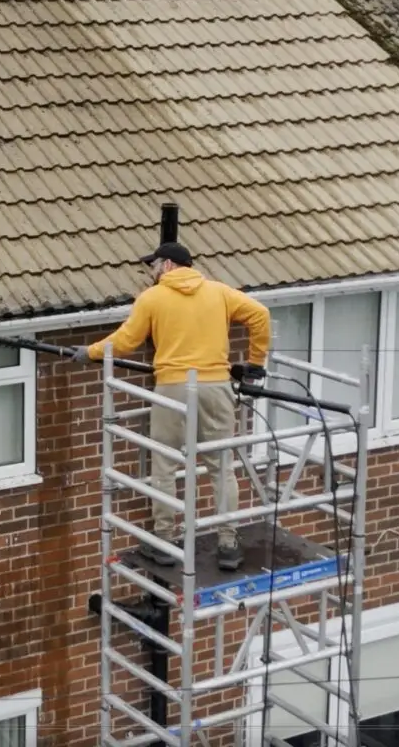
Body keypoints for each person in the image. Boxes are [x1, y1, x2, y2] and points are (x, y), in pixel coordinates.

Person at [73, 242, 271, 571]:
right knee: (221, 466)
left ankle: (164, 541)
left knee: (164, 464)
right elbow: (260, 315)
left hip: (174, 387)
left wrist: (90, 352)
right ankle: (228, 544)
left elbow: (124, 341)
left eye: (153, 266)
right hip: (216, 386)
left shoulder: (152, 298)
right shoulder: (219, 292)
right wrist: (255, 364)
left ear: (167, 266)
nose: (151, 273)